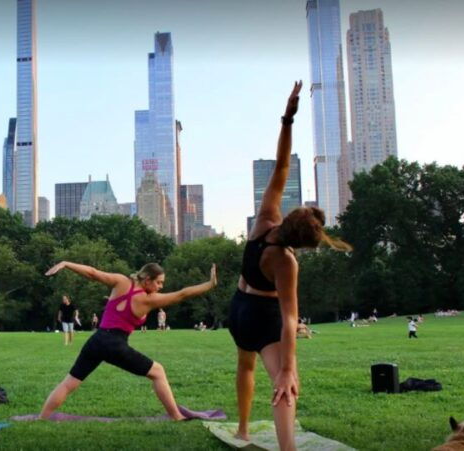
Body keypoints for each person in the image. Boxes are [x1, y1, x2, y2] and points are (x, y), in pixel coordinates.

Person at [227, 82, 351, 451]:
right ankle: (287, 448)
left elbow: (282, 164)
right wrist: (287, 367)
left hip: (238, 309)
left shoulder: (264, 220)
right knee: (284, 384)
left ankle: (244, 430)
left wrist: (288, 118)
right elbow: (288, 319)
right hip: (264, 317)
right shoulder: (286, 263)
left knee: (244, 366)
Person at [38, 261, 217, 420]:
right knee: (158, 372)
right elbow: (182, 295)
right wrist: (209, 285)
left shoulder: (121, 281)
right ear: (147, 279)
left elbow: (92, 273)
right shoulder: (148, 300)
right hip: (115, 343)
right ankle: (176, 416)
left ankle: (42, 418)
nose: (161, 286)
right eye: (159, 282)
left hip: (97, 339)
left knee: (70, 382)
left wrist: (66, 263)